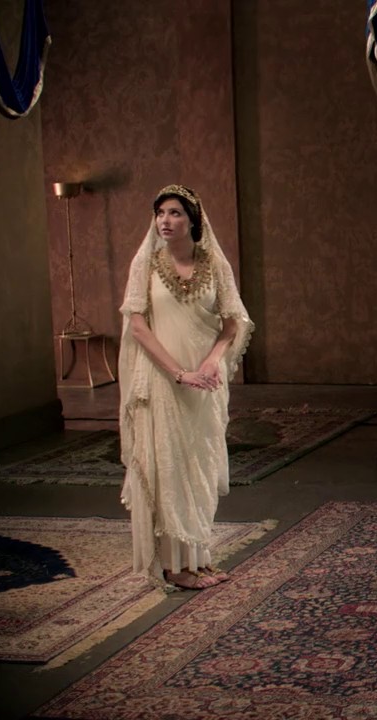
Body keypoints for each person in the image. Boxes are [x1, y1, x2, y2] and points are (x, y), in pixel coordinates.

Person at [117, 184, 254, 591]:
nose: (165, 220)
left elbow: (233, 323)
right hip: (163, 380)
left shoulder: (215, 266)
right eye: (160, 213)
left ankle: (198, 559)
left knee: (200, 466)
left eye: (175, 212)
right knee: (170, 468)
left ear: (192, 220)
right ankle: (174, 567)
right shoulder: (145, 265)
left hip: (205, 382)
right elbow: (137, 327)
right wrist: (180, 373)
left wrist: (211, 362)